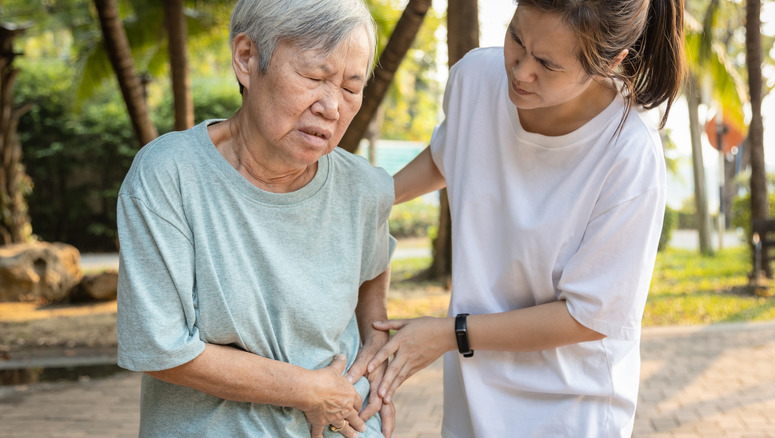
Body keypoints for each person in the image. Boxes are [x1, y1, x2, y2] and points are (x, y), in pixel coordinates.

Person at [367, 0, 686, 437]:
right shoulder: (476, 78)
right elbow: (451, 156)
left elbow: (587, 317)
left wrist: (451, 334)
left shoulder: (628, 155)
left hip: (568, 409)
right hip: (472, 395)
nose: (520, 71)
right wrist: (368, 198)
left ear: (611, 62)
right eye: (516, 37)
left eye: (548, 64)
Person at [115, 0, 397, 437]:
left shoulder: (365, 188)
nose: (331, 106)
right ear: (247, 58)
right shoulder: (170, 175)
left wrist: (375, 351)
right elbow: (160, 347)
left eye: (350, 87)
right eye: (314, 77)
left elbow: (373, 266)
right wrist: (308, 389)